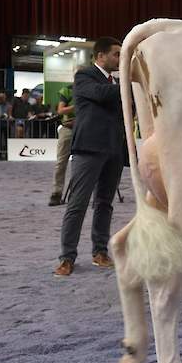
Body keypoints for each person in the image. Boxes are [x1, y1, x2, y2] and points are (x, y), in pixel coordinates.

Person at [54, 37, 126, 277]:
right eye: (116, 54)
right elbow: (101, 94)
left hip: (114, 149)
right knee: (78, 204)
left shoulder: (114, 82)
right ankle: (67, 257)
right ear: (100, 56)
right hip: (89, 148)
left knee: (105, 203)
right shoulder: (84, 76)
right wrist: (131, 84)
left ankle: (100, 252)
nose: (119, 58)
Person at [49, 83, 77, 206]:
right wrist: (76, 107)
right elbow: (60, 110)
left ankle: (77, 193)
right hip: (68, 128)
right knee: (61, 162)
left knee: (81, 162)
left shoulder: (90, 88)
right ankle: (56, 193)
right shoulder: (67, 90)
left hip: (85, 128)